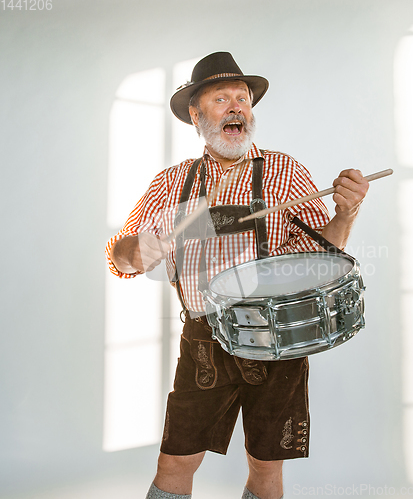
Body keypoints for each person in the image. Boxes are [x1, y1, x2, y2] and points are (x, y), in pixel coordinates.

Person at [106, 52, 369, 499]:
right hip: (203, 339)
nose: (235, 107)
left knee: (266, 468)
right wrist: (136, 248)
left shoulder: (285, 171)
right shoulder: (172, 183)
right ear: (195, 114)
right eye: (220, 98)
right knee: (175, 461)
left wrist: (346, 213)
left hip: (276, 340)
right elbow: (121, 256)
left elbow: (316, 254)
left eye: (242, 99)